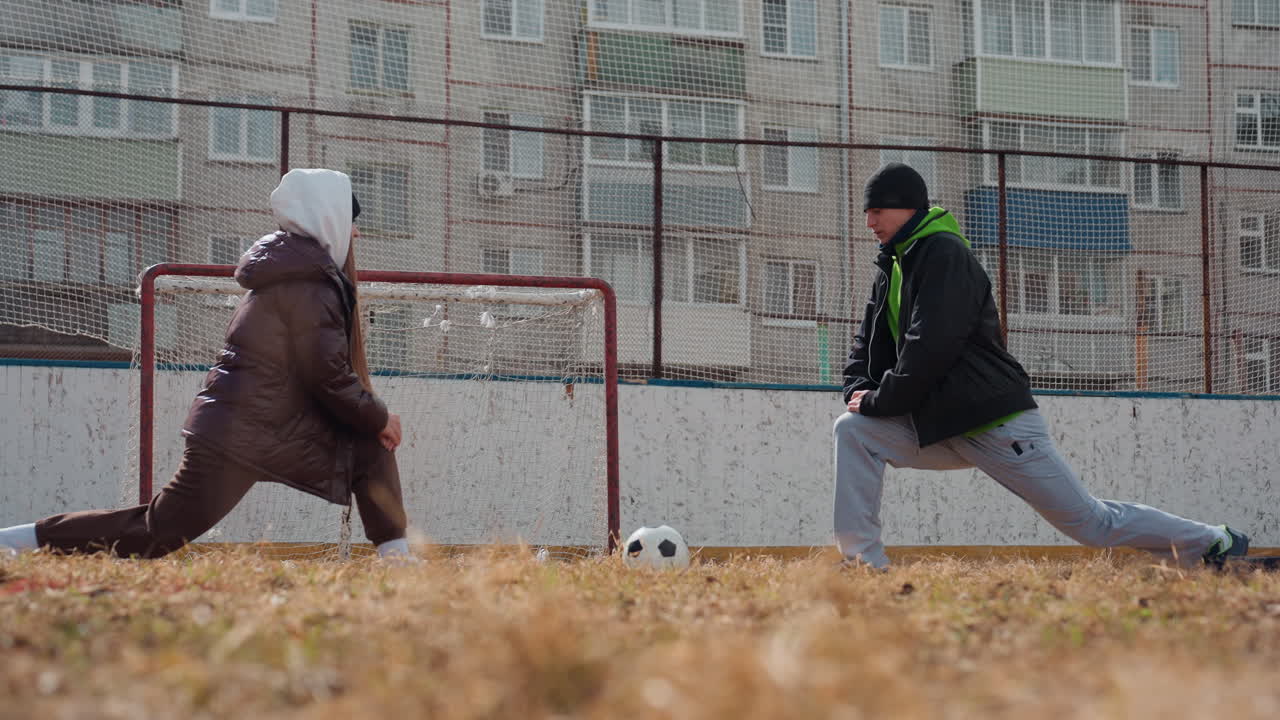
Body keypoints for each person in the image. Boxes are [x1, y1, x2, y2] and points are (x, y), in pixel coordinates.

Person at [834, 162, 1249, 570]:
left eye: (877, 211)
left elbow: (931, 344)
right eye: (867, 212)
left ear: (908, 207)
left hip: (994, 424)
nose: (869, 222)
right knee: (854, 430)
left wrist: (881, 400)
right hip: (940, 424)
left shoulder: (945, 254)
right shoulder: (893, 264)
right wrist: (858, 389)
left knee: (1092, 524)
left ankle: (1213, 541)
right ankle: (863, 563)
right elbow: (868, 339)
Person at [0, 168, 412, 560]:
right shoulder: (308, 283)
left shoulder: (302, 275)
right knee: (156, 533)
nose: (356, 232)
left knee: (369, 449)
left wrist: (372, 421)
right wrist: (377, 415)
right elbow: (326, 374)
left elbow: (312, 374)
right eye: (351, 221)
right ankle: (14, 542)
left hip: (266, 429)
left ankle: (399, 563)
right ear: (329, 219)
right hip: (239, 435)